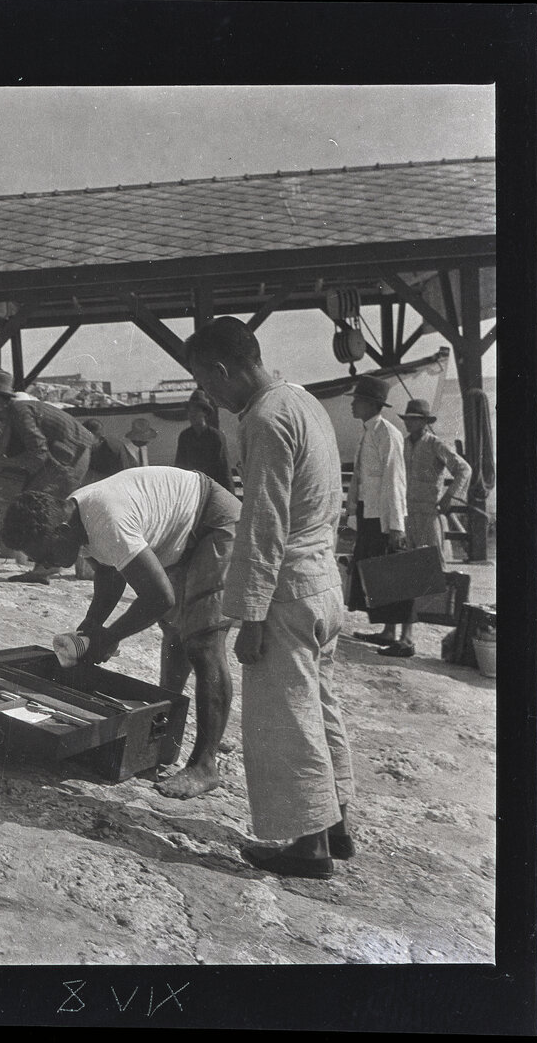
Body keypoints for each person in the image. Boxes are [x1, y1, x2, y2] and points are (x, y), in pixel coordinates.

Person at [185, 316, 355, 880]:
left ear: (221, 369)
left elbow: (263, 523)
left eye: (208, 387)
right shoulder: (302, 400)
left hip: (286, 592)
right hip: (323, 583)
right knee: (321, 707)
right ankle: (335, 822)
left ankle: (308, 847)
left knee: (288, 719)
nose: (210, 398)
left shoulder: (264, 417)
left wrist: (250, 615)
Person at [1, 465, 240, 797]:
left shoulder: (105, 520)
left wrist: (110, 636)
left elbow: (159, 597)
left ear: (61, 530)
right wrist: (92, 624)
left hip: (212, 521)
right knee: (175, 636)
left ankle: (205, 765)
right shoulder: (75, 517)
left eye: (44, 554)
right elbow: (110, 571)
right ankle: (163, 743)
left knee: (202, 642)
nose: (42, 564)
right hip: (182, 533)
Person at [0, 368, 95, 584]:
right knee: (36, 501)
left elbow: (39, 455)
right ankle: (47, 564)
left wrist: (2, 463)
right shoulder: (14, 413)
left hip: (72, 454)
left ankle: (46, 567)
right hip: (67, 451)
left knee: (40, 507)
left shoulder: (20, 412)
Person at [395, 399, 473, 654]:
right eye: (406, 418)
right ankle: (405, 635)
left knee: (434, 572)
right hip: (407, 515)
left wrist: (450, 496)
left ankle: (455, 627)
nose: (408, 422)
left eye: (413, 418)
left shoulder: (435, 444)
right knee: (406, 572)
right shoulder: (404, 444)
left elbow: (464, 469)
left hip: (429, 515)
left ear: (424, 422)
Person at [344, 375, 413, 657]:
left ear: (371, 404)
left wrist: (396, 525)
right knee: (376, 573)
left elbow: (394, 479)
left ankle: (405, 640)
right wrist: (351, 513)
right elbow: (360, 479)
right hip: (368, 513)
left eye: (357, 401)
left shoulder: (388, 433)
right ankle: (388, 630)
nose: (352, 405)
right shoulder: (367, 432)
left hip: (384, 516)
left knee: (395, 573)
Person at [174, 389, 235, 493]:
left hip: (213, 488)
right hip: (192, 489)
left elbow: (224, 470)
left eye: (196, 411)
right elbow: (180, 467)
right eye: (190, 411)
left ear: (204, 413)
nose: (191, 415)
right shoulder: (185, 436)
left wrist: (230, 497)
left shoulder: (216, 436)